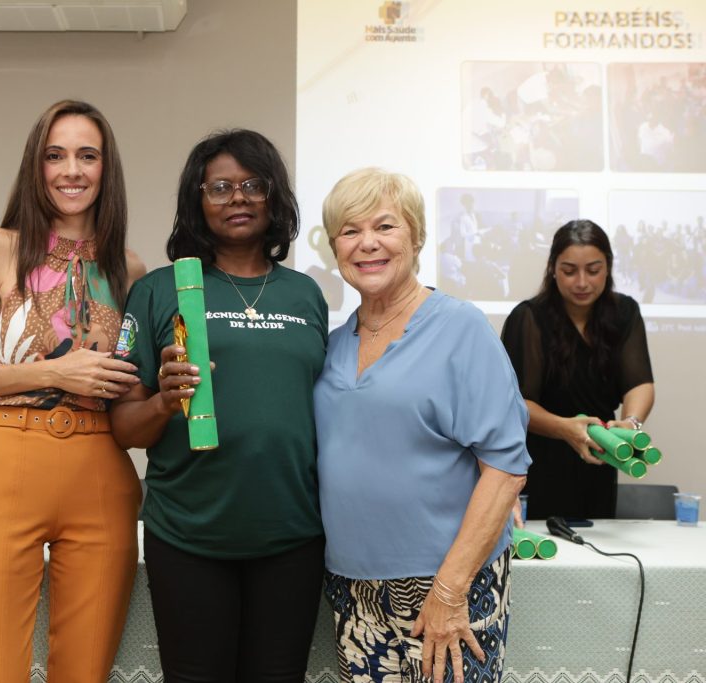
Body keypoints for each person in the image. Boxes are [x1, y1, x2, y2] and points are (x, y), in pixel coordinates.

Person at [0, 100, 146, 683]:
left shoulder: (130, 269)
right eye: (56, 155)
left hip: (102, 472)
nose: (71, 170)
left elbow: (132, 388)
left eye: (87, 156)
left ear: (106, 168)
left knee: (86, 671)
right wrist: (54, 373)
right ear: (36, 165)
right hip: (10, 461)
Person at [110, 129, 328, 683]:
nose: (238, 198)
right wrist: (164, 402)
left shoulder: (305, 294)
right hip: (189, 534)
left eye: (253, 185)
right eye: (220, 187)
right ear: (197, 200)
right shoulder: (159, 291)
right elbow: (124, 429)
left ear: (274, 196)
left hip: (292, 533)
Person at [314, 168, 529, 683]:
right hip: (352, 588)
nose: (367, 243)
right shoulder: (334, 343)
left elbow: (506, 468)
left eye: (385, 226)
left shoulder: (460, 328)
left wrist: (449, 591)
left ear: (416, 238)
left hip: (446, 583)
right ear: (335, 247)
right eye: (350, 230)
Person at [501, 219, 654, 520]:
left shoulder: (625, 312)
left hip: (601, 453)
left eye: (593, 270)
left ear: (608, 267)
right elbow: (516, 403)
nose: (582, 282)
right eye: (569, 271)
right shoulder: (528, 317)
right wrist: (565, 428)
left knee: (599, 539)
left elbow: (639, 382)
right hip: (541, 459)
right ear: (552, 269)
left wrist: (631, 422)